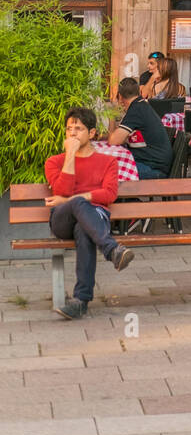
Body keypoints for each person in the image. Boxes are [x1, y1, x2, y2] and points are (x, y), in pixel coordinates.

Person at [45, 107, 134, 319]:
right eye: (69, 129)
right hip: (62, 220)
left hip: (94, 220)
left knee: (83, 230)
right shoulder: (55, 161)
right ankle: (112, 250)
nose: (73, 133)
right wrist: (70, 155)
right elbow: (61, 191)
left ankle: (80, 301)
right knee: (76, 206)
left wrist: (77, 198)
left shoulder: (108, 162)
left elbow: (110, 194)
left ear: (92, 133)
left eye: (79, 129)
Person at [107, 78, 173, 179]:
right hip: (156, 164)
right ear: (138, 92)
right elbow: (123, 137)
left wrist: (111, 116)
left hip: (153, 169)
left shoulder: (136, 110)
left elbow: (114, 141)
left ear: (120, 97)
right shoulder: (140, 105)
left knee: (108, 169)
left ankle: (121, 195)